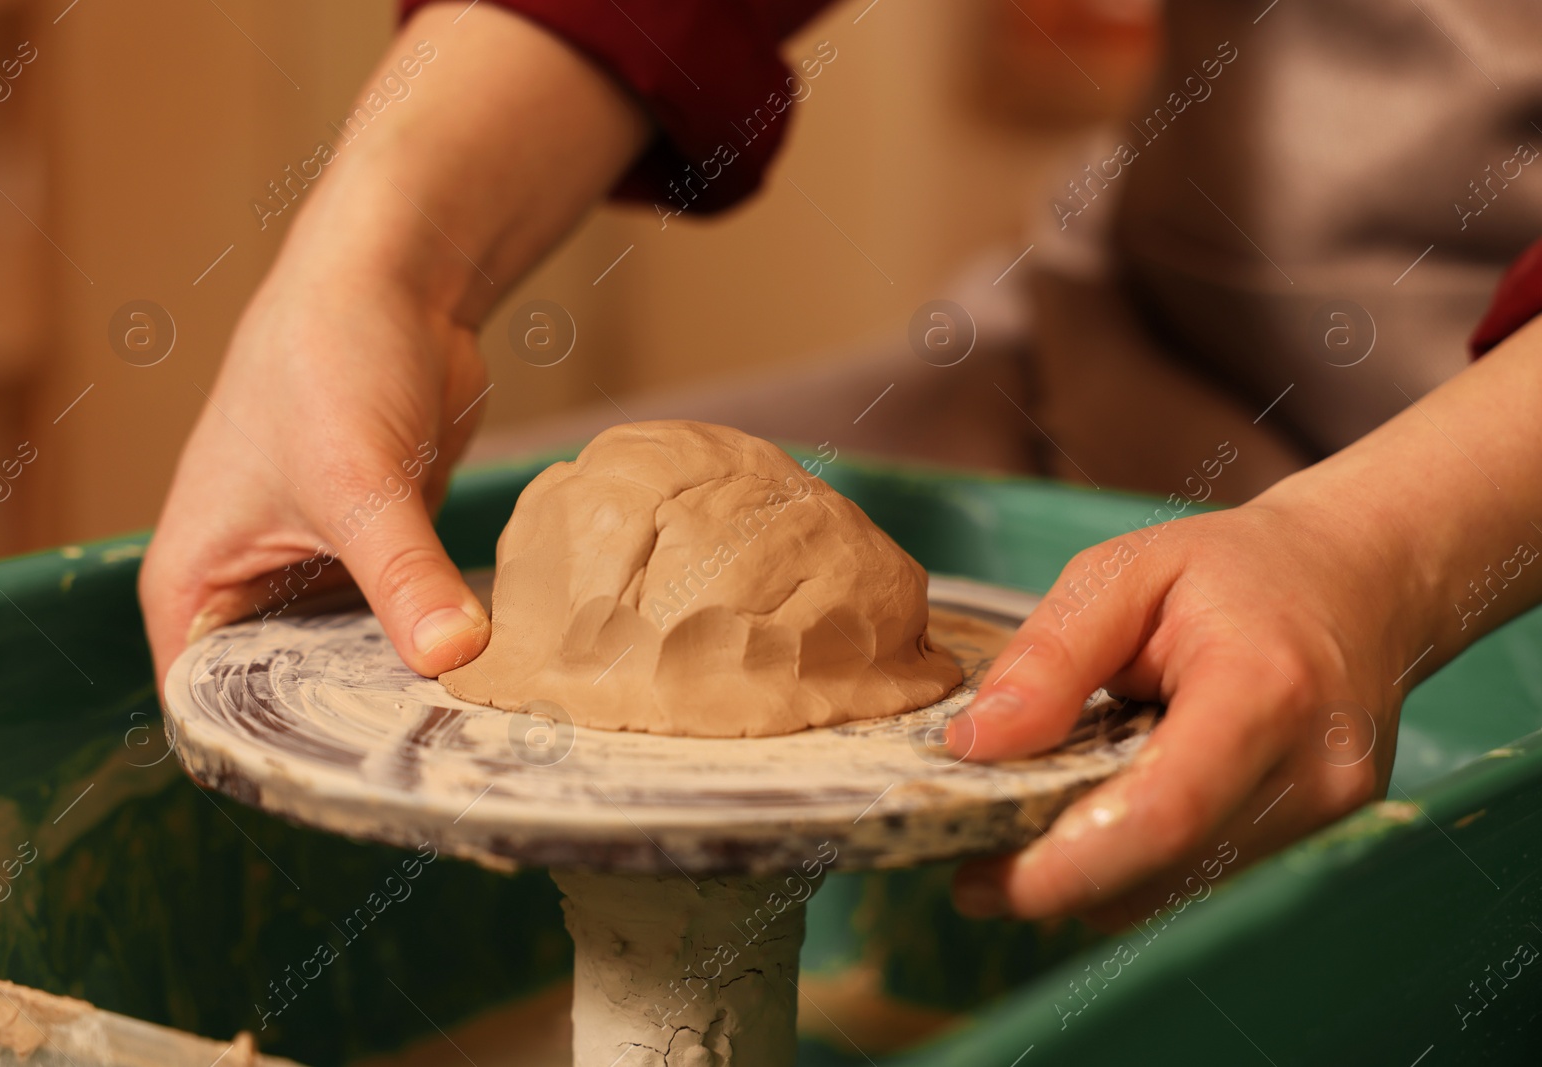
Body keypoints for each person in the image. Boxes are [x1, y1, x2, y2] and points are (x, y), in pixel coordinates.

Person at [139, 0, 1542, 929]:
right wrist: (385, 258)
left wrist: (1385, 548)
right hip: (1142, 320)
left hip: (1486, 456)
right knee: (435, 506)